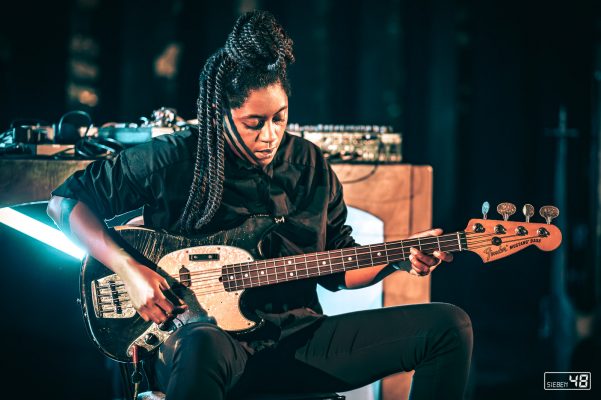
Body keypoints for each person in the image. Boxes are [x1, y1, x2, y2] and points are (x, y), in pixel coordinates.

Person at [47, 10, 472, 400]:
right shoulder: (174, 158)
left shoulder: (308, 165)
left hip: (299, 342)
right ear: (219, 112)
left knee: (449, 326)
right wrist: (131, 271)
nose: (270, 135)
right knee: (202, 342)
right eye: (255, 123)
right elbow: (65, 203)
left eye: (280, 118)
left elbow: (339, 267)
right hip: (207, 348)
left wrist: (397, 257)